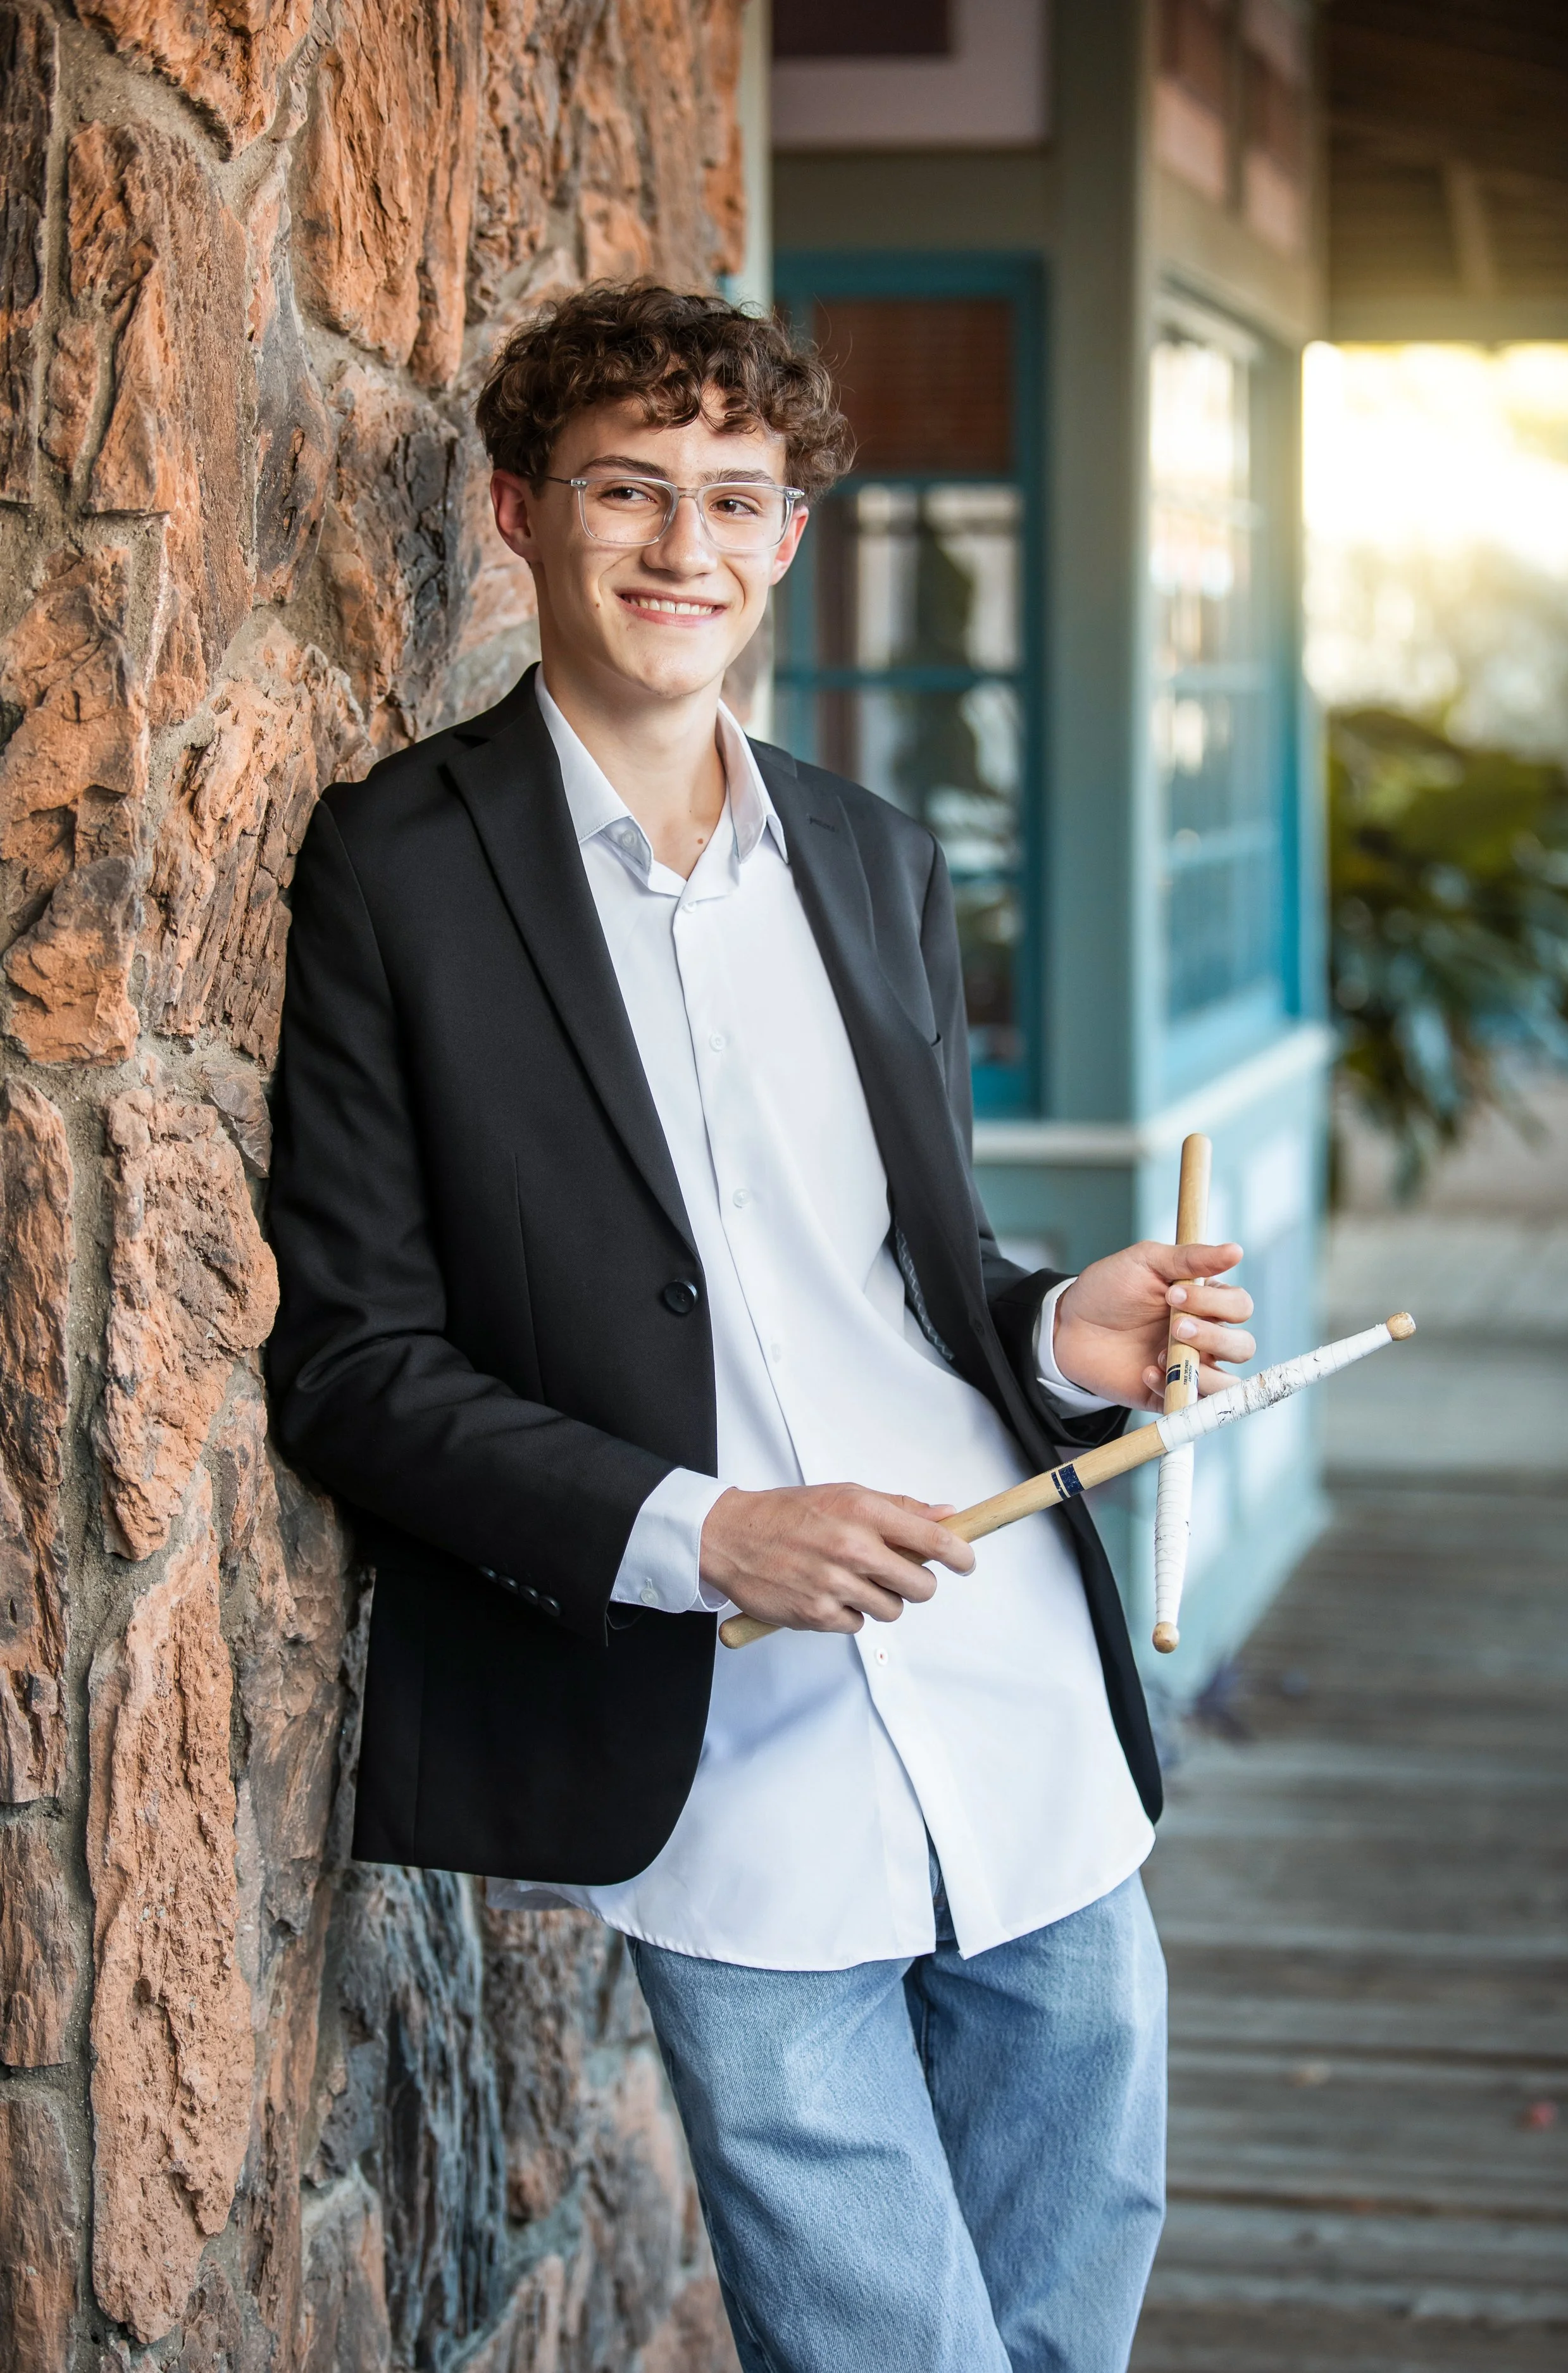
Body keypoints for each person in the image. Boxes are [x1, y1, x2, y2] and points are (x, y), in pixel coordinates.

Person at [267, 282, 1256, 2373]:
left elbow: (910, 1273)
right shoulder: (395, 868)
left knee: (1075, 2285)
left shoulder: (878, 858)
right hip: (707, 1730)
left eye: (733, 498)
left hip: (1006, 1674)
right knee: (887, 2337)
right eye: (627, 489)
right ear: (522, 510)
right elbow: (352, 1361)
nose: (682, 546)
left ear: (787, 535)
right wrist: (704, 1531)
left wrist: (1058, 1336)